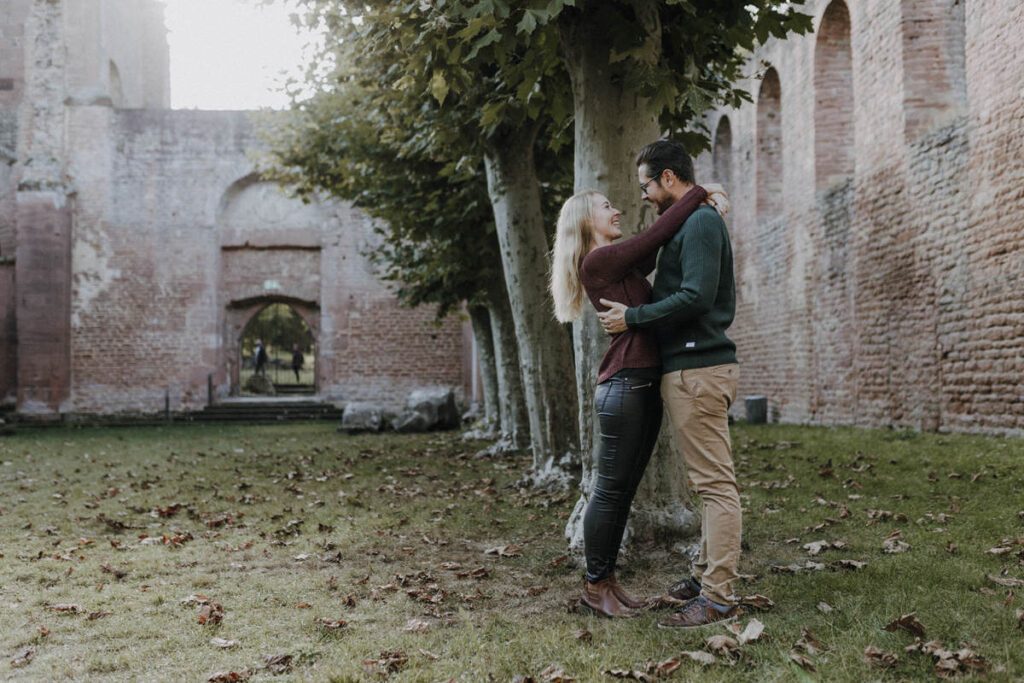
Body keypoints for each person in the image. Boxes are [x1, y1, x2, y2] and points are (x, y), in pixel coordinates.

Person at [597, 139, 741, 629]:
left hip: (699, 369)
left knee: (715, 486)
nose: (641, 195)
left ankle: (719, 597)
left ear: (669, 179)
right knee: (707, 483)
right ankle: (705, 576)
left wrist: (633, 317)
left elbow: (697, 297)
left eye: (645, 185)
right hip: (688, 369)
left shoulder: (700, 221)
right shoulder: (691, 218)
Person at [550, 184, 709, 618]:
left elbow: (654, 249)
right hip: (625, 385)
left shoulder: (619, 265)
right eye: (607, 207)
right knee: (609, 492)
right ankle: (594, 586)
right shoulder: (599, 259)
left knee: (621, 494)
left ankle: (608, 583)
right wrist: (697, 193)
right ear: (587, 221)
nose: (617, 210)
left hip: (637, 384)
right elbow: (653, 237)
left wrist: (674, 202)